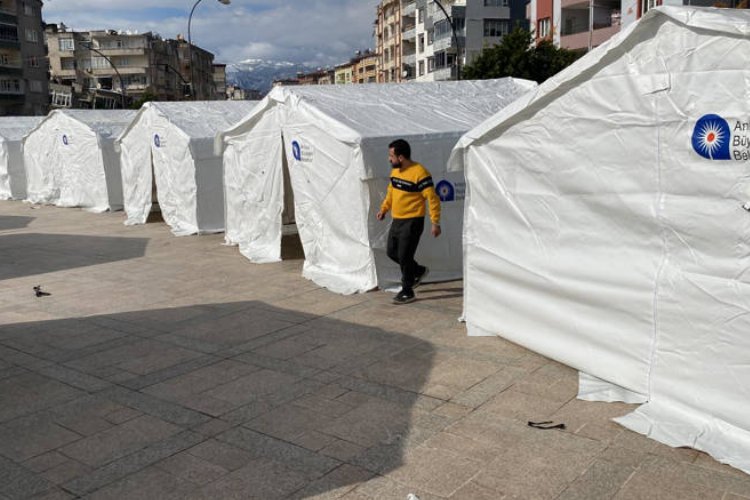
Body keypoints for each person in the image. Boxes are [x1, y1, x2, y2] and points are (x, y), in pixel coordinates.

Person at [376, 139, 441, 304]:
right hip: (397, 220)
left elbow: (432, 199)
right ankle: (418, 270)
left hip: (413, 221)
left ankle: (407, 290)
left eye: (391, 156)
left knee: (405, 256)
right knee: (392, 252)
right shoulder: (395, 172)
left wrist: (435, 222)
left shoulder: (420, 173)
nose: (389, 159)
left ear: (401, 157)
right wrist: (384, 209)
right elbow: (391, 192)